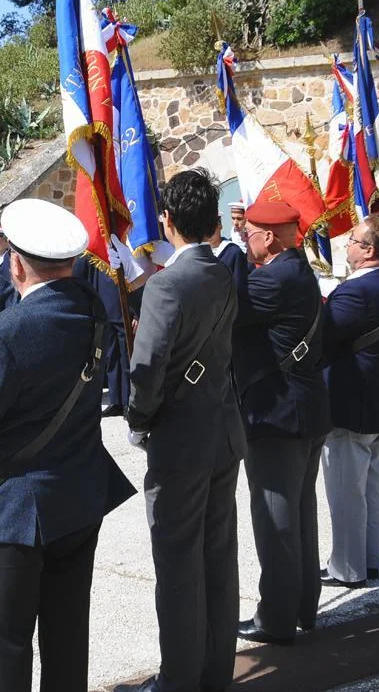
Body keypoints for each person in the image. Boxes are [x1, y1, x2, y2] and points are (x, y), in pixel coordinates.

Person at [0, 198, 135, 692]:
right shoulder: (91, 310)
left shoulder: (2, 335)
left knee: (5, 638)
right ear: (70, 262)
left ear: (14, 262)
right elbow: (39, 310)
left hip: (19, 507)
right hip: (79, 495)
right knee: (67, 628)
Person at [123, 169, 245, 692]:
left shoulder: (167, 283)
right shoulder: (223, 269)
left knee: (177, 563)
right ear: (214, 222)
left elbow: (148, 367)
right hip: (222, 428)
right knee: (218, 558)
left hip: (181, 437)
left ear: (167, 221)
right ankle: (214, 671)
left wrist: (138, 417)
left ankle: (178, 680)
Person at [232, 201, 329, 645]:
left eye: (248, 232)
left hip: (278, 415)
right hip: (303, 409)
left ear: (268, 236)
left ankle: (275, 618)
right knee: (300, 514)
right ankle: (303, 606)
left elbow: (229, 310)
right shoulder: (296, 268)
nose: (243, 239)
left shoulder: (272, 278)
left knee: (276, 522)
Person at [321, 216, 379, 589]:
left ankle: (347, 568)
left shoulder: (358, 290)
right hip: (374, 397)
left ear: (368, 250)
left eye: (353, 240)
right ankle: (370, 559)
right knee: (370, 485)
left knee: (346, 491)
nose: (347, 245)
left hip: (350, 400)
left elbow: (327, 337)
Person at [72, 252, 142, 418]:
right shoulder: (95, 250)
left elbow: (137, 278)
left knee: (127, 358)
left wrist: (137, 313)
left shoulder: (123, 248)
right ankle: (116, 400)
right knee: (110, 357)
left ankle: (129, 402)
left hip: (124, 311)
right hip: (105, 310)